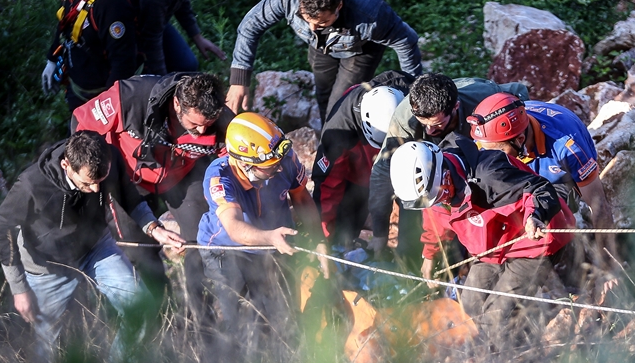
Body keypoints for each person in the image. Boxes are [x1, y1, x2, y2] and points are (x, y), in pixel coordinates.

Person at [0, 131, 184, 360]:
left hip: (96, 247)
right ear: (66, 164)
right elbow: (1, 226)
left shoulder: (109, 158)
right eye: (87, 183)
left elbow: (128, 195)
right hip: (46, 265)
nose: (95, 190)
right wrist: (19, 289)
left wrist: (154, 227)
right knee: (48, 348)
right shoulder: (32, 185)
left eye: (99, 183)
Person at [71, 72, 231, 315]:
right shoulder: (131, 97)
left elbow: (234, 163)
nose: (200, 131)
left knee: (200, 238)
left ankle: (200, 317)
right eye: (195, 123)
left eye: (207, 125)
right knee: (141, 253)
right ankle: (159, 314)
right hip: (129, 180)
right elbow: (80, 123)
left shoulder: (221, 120)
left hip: (183, 175)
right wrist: (100, 173)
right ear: (178, 103)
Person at [390, 137, 576, 345]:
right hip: (491, 247)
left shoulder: (490, 174)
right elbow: (437, 221)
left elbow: (540, 189)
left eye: (437, 194)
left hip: (534, 242)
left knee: (496, 316)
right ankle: (491, 347)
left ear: (444, 173)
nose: (438, 200)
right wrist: (429, 255)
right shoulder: (433, 193)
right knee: (469, 306)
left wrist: (536, 215)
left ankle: (518, 362)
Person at [225, 0, 422, 121]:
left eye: (321, 22)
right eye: (305, 19)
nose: (311, 28)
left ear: (339, 6)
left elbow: (406, 41)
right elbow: (251, 24)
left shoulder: (369, 15)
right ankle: (329, 145)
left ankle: (338, 155)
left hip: (360, 49)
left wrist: (415, 93)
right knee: (323, 96)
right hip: (320, 46)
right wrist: (239, 80)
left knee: (341, 106)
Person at [367, 73, 528, 259]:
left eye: (436, 124)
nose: (429, 130)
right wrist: (380, 234)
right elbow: (382, 171)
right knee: (413, 213)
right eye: (423, 124)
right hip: (427, 165)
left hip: (476, 163)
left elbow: (518, 95)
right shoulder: (406, 118)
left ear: (456, 107)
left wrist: (519, 144)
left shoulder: (483, 98)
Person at [197, 113, 327, 333]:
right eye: (270, 166)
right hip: (227, 249)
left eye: (278, 162)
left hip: (273, 243)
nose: (278, 169)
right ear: (245, 164)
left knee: (280, 316)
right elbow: (235, 227)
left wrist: (319, 241)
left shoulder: (284, 159)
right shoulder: (219, 177)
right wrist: (270, 237)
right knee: (237, 321)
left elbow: (302, 198)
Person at [468, 93, 618, 261]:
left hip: (558, 178)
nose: (491, 157)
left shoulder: (569, 150)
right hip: (525, 166)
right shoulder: (488, 141)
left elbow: (599, 206)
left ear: (519, 140)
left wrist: (608, 266)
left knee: (549, 222)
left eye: (498, 152)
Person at [312, 70, 412, 248]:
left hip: (408, 167)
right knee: (342, 234)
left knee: (413, 227)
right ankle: (341, 251)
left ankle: (411, 260)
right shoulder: (339, 129)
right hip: (360, 176)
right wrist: (322, 237)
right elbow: (327, 185)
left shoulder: (416, 102)